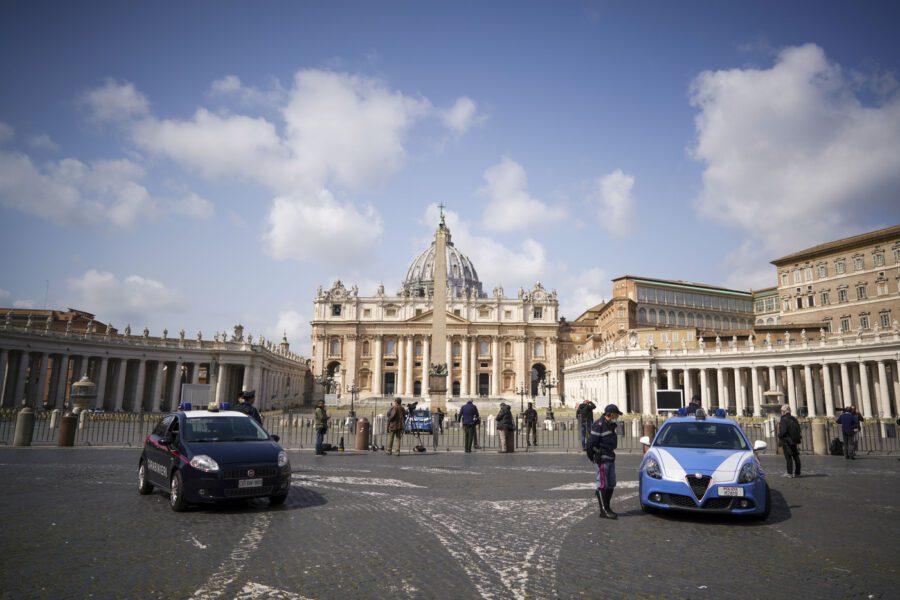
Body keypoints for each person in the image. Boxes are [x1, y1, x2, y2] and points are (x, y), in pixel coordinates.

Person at [587, 404, 623, 519]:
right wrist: (592, 457)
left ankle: (607, 506)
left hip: (610, 456)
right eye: (616, 414)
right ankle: (603, 510)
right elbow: (591, 443)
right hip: (602, 457)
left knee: (611, 483)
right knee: (602, 484)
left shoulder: (610, 425)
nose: (617, 416)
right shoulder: (599, 425)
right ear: (611, 414)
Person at [778, 404, 802, 477]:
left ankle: (789, 473)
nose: (781, 412)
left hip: (787, 441)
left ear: (784, 411)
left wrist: (779, 435)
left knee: (788, 457)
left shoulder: (783, 419)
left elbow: (783, 431)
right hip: (794, 440)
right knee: (796, 456)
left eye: (782, 411)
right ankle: (797, 472)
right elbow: (799, 429)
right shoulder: (794, 419)